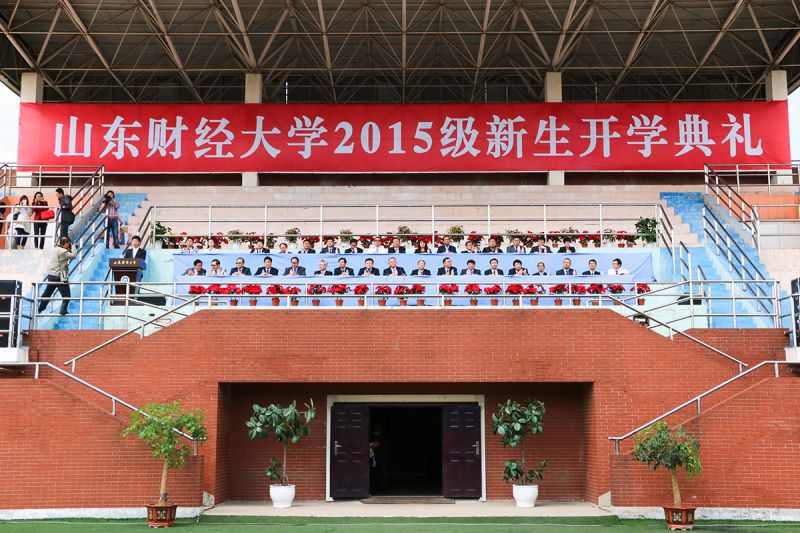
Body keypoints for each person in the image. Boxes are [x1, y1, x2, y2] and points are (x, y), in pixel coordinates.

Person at [37, 236, 76, 316]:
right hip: (60, 276)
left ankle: (40, 309)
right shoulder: (63, 251)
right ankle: (63, 310)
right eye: (68, 244)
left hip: (51, 275)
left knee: (48, 293)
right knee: (66, 295)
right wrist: (74, 247)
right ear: (66, 243)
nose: (69, 245)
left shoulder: (55, 249)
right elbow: (73, 256)